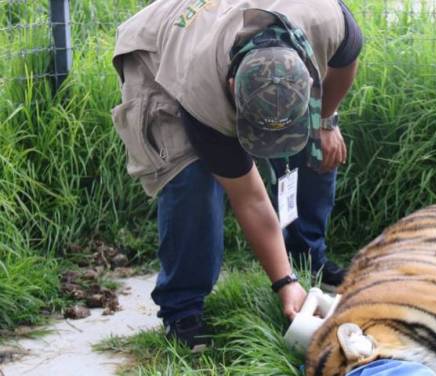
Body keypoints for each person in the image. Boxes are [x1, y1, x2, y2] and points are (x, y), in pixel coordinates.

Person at [111, 0, 362, 349]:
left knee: (316, 146)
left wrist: (324, 121)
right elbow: (250, 198)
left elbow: (345, 62)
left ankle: (309, 260)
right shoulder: (204, 96)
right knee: (191, 180)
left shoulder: (328, 18)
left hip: (228, 26)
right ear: (232, 86)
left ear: (306, 77)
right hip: (162, 51)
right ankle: (182, 309)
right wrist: (283, 282)